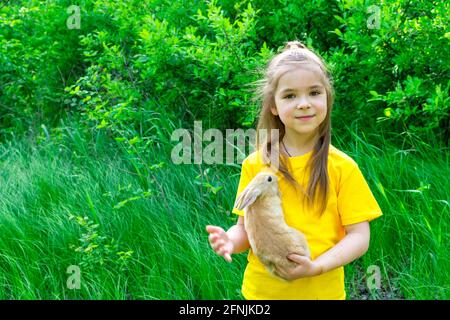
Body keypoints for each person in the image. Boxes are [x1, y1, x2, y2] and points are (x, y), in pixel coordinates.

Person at [206, 40, 383, 300]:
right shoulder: (255, 165)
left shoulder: (342, 167)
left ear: (327, 97)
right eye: (290, 96)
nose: (303, 103)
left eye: (314, 92)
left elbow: (359, 237)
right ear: (274, 106)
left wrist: (316, 267)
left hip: (322, 293)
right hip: (262, 294)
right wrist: (230, 241)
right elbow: (247, 228)